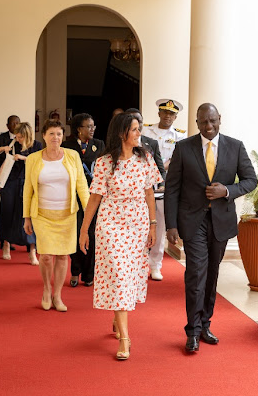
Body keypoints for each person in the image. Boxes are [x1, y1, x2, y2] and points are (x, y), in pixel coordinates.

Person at [164, 103, 257, 353]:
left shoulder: (235, 146)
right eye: (203, 122)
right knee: (195, 272)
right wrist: (171, 225)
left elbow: (251, 180)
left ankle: (205, 325)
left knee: (212, 274)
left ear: (220, 119)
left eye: (213, 121)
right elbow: (172, 188)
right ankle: (192, 331)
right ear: (196, 123)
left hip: (221, 222)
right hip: (192, 222)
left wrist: (226, 191)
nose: (209, 126)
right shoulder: (183, 148)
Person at [79, 113, 162, 360]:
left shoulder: (145, 159)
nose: (139, 134)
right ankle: (125, 338)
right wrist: (84, 230)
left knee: (129, 276)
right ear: (121, 133)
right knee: (116, 273)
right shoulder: (104, 162)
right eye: (135, 130)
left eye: (139, 129)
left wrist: (153, 226)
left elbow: (150, 194)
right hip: (110, 223)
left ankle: (118, 317)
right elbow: (94, 198)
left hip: (137, 223)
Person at [23, 120, 90, 312]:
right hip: (42, 214)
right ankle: (46, 289)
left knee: (62, 256)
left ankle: (58, 295)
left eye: (59, 134)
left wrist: (88, 211)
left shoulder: (72, 156)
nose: (55, 138)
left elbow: (81, 185)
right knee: (45, 256)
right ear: (43, 136)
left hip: (67, 215)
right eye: (51, 134)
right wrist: (26, 217)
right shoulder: (34, 159)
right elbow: (28, 189)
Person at [142, 99, 187, 281]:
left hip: (163, 185)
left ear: (175, 117)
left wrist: (161, 168)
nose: (167, 116)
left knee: (159, 226)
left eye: (171, 114)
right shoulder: (145, 130)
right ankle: (139, 263)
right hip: (143, 181)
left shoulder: (180, 136)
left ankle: (155, 265)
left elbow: (178, 159)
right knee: (141, 224)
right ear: (159, 113)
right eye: (164, 112)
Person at [61, 113, 105, 287]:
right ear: (79, 129)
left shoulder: (99, 145)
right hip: (74, 197)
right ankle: (75, 271)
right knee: (77, 233)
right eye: (88, 126)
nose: (92, 129)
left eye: (93, 126)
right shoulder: (67, 146)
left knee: (92, 235)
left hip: (94, 197)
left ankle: (89, 274)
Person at [0, 122, 42, 262]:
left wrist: (23, 158)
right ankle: (6, 244)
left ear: (27, 135)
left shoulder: (37, 145)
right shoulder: (12, 144)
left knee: (29, 215)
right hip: (10, 182)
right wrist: (4, 151)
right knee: (7, 212)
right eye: (17, 136)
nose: (18, 138)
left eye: (20, 136)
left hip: (29, 182)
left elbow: (40, 162)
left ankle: (32, 251)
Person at [0, 114, 21, 251]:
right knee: (6, 210)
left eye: (18, 123)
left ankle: (23, 240)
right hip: (5, 180)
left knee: (20, 211)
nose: (15, 125)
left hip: (20, 179)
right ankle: (4, 239)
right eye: (13, 123)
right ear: (7, 126)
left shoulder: (24, 139)